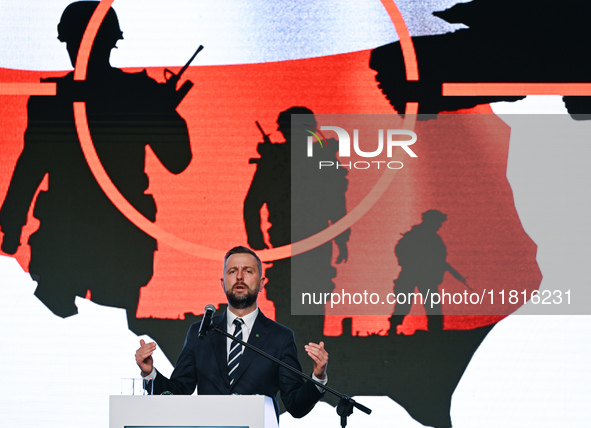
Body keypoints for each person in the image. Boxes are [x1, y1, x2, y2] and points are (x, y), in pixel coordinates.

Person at [0, 2, 192, 325]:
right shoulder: (136, 93)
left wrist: (13, 224)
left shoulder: (53, 98)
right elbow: (177, 160)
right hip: (106, 241)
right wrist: (160, 110)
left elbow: (30, 167)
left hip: (80, 240)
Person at [135, 246, 329, 420]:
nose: (239, 277)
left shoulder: (280, 337)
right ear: (223, 282)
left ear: (262, 283)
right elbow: (178, 393)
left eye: (248, 271)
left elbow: (295, 405)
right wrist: (149, 372)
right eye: (233, 271)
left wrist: (318, 377)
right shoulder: (201, 332)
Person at [243, 107, 350, 342]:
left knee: (306, 302)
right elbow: (251, 204)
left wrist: (258, 242)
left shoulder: (313, 159)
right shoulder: (300, 159)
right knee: (294, 304)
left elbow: (336, 202)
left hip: (304, 241)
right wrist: (258, 242)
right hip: (295, 242)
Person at [389, 210, 466, 333]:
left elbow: (439, 258)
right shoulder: (417, 236)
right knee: (405, 303)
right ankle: (393, 329)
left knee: (431, 304)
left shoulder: (428, 237)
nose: (439, 225)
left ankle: (434, 330)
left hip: (423, 275)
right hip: (415, 273)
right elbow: (401, 250)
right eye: (438, 222)